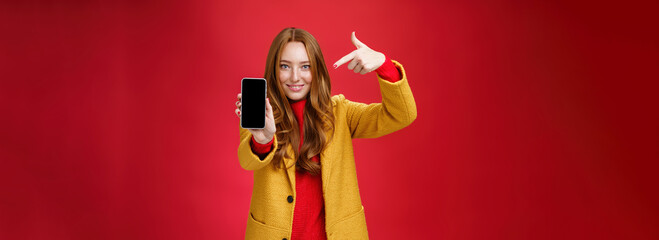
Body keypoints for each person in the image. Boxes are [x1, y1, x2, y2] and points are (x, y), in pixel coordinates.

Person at [235, 27, 416, 240]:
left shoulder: (341, 113)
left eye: (305, 66)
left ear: (317, 69)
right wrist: (263, 139)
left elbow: (402, 114)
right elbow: (247, 161)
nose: (295, 77)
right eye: (285, 66)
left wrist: (384, 65)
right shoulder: (261, 116)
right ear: (273, 70)